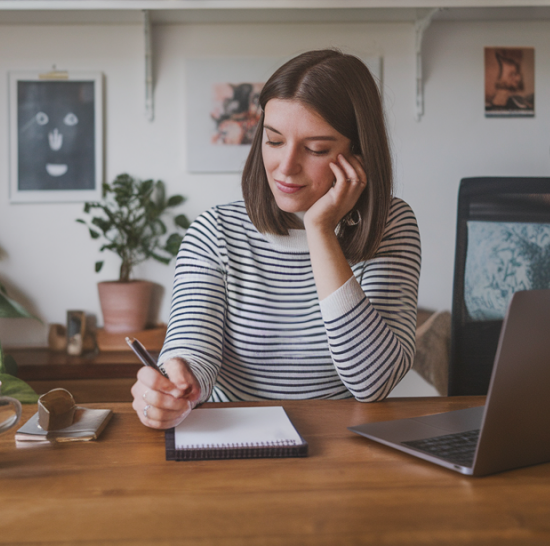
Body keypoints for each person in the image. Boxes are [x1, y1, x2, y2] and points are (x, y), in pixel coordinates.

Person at [133, 50, 421, 429]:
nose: (286, 168)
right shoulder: (215, 232)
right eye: (273, 140)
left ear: (358, 153)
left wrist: (320, 231)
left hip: (343, 450)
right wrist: (175, 384)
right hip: (238, 442)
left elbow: (374, 382)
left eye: (316, 149)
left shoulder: (390, 225)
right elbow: (191, 352)